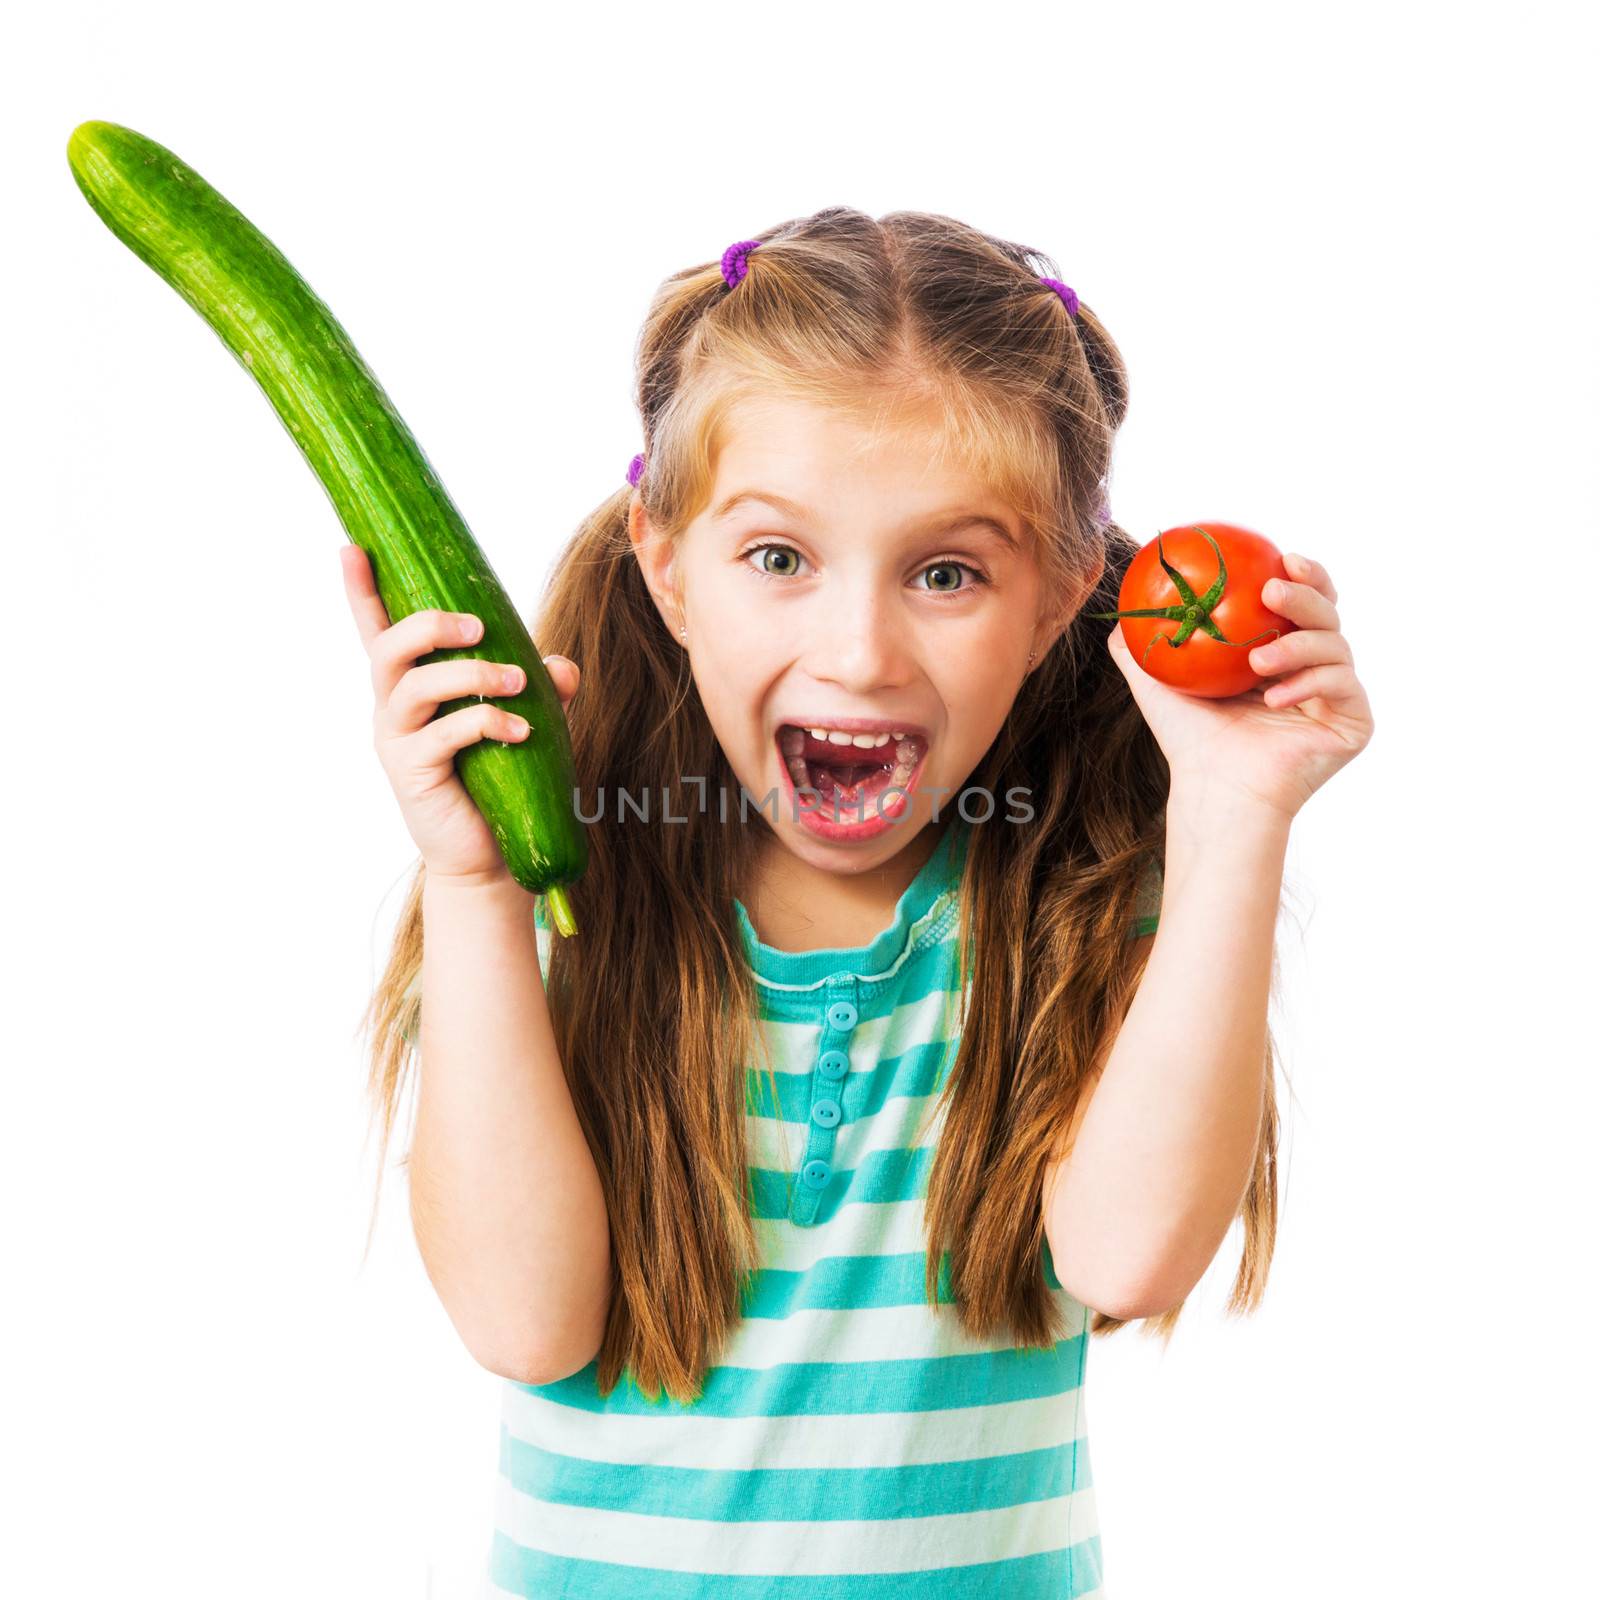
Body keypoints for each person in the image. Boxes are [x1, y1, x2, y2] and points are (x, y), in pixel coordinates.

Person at [339, 208, 1374, 1598]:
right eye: (779, 559)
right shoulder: (561, 903)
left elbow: (1124, 1258)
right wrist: (471, 889)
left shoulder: (1077, 910)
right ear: (667, 564)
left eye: (947, 573)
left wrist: (1237, 816)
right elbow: (524, 1322)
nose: (860, 649)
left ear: (1069, 595)